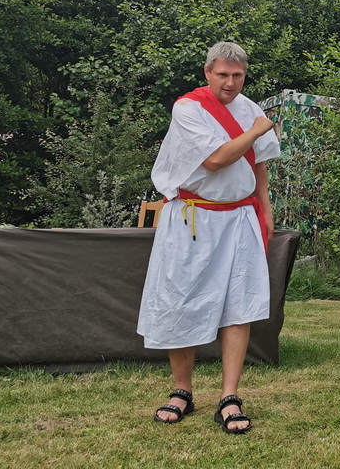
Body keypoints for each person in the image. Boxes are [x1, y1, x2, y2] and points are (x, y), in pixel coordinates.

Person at [137, 41, 280, 434]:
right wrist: (257, 129)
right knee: (180, 299)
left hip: (239, 216)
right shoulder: (189, 108)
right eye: (222, 75)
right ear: (207, 72)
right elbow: (216, 159)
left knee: (239, 303)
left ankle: (229, 397)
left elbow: (259, 165)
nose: (230, 83)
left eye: (237, 75)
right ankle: (181, 390)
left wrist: (266, 210)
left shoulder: (250, 109)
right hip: (192, 216)